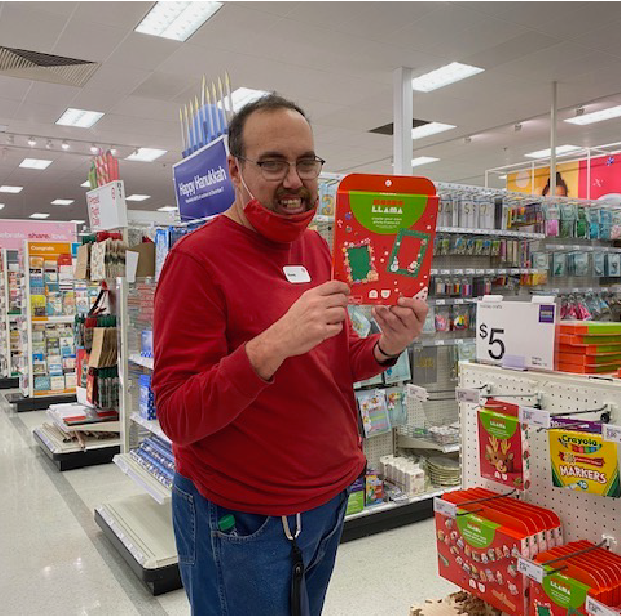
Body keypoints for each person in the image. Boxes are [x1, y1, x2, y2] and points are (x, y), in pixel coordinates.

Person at [153, 93, 428, 616]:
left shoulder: (317, 247)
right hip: (242, 515)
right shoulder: (196, 261)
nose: (294, 180)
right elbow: (176, 413)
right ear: (235, 169)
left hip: (325, 500)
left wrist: (388, 345)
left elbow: (337, 359)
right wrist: (273, 344)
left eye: (306, 162)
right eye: (272, 163)